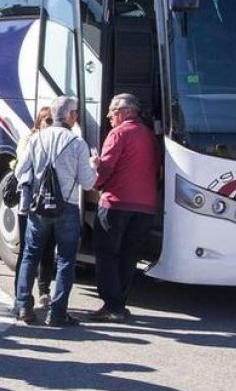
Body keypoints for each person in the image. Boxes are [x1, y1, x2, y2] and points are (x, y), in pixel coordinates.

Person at [13, 95, 96, 327]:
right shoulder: (77, 143)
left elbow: (20, 171)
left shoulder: (37, 139)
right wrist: (94, 166)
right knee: (66, 259)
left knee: (30, 255)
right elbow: (88, 183)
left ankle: (23, 307)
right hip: (66, 207)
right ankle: (57, 313)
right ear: (71, 116)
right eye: (75, 112)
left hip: (39, 207)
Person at [88, 93, 158, 323]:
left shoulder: (119, 133)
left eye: (113, 111)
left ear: (126, 112)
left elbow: (106, 169)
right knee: (129, 256)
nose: (108, 116)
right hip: (145, 206)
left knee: (107, 253)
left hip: (117, 203)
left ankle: (112, 305)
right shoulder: (149, 135)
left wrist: (94, 175)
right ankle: (120, 303)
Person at [12, 107, 57, 307]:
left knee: (48, 249)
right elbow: (21, 166)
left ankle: (44, 291)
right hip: (29, 204)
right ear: (38, 122)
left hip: (51, 203)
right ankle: (20, 295)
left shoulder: (58, 141)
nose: (49, 123)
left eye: (52, 120)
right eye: (46, 120)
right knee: (27, 251)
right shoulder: (29, 140)